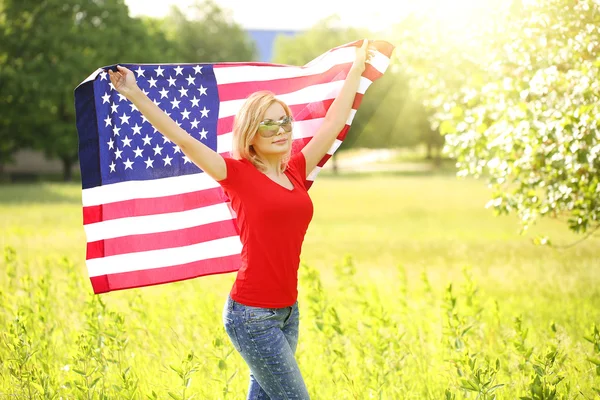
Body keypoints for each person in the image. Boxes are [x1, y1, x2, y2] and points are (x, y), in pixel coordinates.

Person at [108, 39, 373, 400]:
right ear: (251, 132)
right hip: (251, 316)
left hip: (287, 312)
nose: (281, 130)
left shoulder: (296, 169)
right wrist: (134, 94)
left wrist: (355, 70)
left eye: (284, 122)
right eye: (269, 125)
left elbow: (334, 122)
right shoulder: (235, 174)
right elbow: (183, 140)